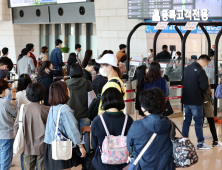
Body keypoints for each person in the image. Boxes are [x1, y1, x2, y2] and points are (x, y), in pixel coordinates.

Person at [127, 88, 175, 170]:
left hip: (142, 166)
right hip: (166, 166)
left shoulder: (136, 125)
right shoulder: (170, 124)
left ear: (143, 107)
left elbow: (129, 147)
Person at [44, 81, 86, 170]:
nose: (68, 90)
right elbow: (72, 130)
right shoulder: (65, 109)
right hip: (61, 146)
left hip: (51, 145)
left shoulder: (52, 108)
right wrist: (80, 146)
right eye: (67, 88)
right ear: (63, 92)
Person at [91, 87, 134, 170]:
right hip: (124, 164)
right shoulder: (128, 120)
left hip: (102, 164)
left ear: (103, 101)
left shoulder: (97, 120)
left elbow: (93, 145)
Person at [14, 83, 49, 170]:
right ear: (42, 95)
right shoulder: (46, 109)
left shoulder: (23, 109)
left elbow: (16, 127)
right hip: (43, 146)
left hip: (27, 146)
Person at [181, 54, 212, 149]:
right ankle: (200, 143)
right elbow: (203, 86)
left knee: (187, 121)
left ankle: (183, 140)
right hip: (196, 100)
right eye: (207, 63)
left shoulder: (187, 68)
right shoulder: (201, 71)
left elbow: (182, 82)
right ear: (205, 61)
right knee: (198, 122)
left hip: (186, 99)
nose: (206, 65)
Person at [66, 64, 92, 153]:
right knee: (87, 134)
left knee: (73, 133)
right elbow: (92, 98)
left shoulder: (66, 83)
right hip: (85, 113)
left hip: (71, 114)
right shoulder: (87, 82)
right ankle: (87, 153)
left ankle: (75, 153)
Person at [0, 79, 17, 170]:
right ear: (4, 90)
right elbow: (15, 113)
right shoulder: (5, 102)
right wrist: (13, 98)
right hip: (6, 134)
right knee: (5, 161)